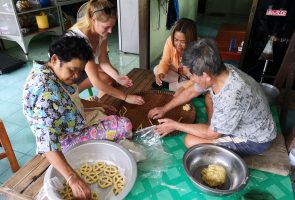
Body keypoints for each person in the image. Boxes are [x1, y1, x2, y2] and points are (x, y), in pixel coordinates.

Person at [22, 36, 134, 199]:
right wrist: (72, 178)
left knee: (107, 111)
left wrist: (97, 105)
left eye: (79, 71)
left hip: (71, 123)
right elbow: (47, 144)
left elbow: (69, 100)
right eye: (72, 69)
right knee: (124, 125)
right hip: (62, 142)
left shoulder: (49, 72)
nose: (76, 76)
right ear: (54, 59)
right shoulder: (45, 94)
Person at [148, 38, 277, 156]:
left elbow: (212, 134)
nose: (190, 79)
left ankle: (215, 128)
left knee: (190, 140)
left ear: (206, 75)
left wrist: (175, 125)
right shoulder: (220, 70)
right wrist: (165, 108)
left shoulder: (231, 96)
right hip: (245, 118)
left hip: (255, 139)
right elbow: (192, 91)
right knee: (209, 97)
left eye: (191, 75)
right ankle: (215, 125)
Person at [69, 0, 144, 105]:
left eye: (112, 26)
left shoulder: (101, 32)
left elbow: (103, 62)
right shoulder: (81, 39)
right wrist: (125, 97)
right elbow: (95, 80)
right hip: (68, 76)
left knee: (112, 76)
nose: (110, 31)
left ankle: (100, 103)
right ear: (93, 19)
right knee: (105, 79)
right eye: (106, 27)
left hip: (83, 69)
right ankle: (93, 105)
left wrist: (117, 77)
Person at [153, 18, 197, 94]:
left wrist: (184, 87)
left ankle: (169, 86)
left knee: (200, 86)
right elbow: (165, 61)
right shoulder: (170, 41)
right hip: (178, 75)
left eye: (183, 42)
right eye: (176, 40)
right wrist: (160, 73)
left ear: (191, 40)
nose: (178, 45)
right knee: (157, 69)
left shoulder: (198, 48)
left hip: (193, 78)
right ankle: (180, 85)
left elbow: (198, 78)